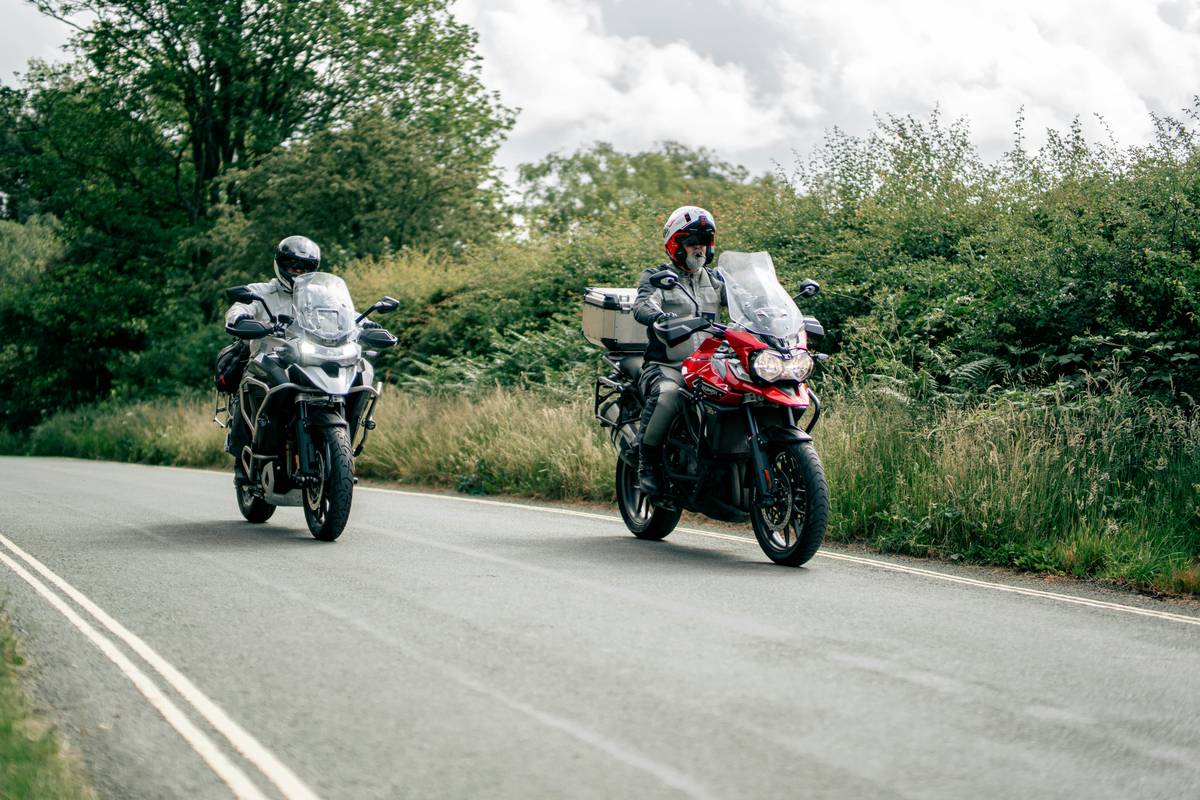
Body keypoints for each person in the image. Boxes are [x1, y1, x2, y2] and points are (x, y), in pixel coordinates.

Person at [631, 206, 726, 496]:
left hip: (711, 365)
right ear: (676, 245)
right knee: (669, 395)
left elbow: (746, 301)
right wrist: (658, 316)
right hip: (668, 365)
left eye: (705, 240)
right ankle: (645, 461)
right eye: (692, 240)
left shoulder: (716, 279)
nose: (700, 247)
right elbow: (643, 303)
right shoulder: (657, 276)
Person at [222, 235, 322, 479]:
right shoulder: (261, 292)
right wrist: (241, 318)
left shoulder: (320, 295)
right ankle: (245, 456)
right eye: (293, 266)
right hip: (268, 359)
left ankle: (332, 446)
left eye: (304, 267)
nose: (298, 272)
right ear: (281, 265)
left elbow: (346, 314)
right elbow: (239, 307)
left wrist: (365, 323)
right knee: (252, 386)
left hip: (308, 359)